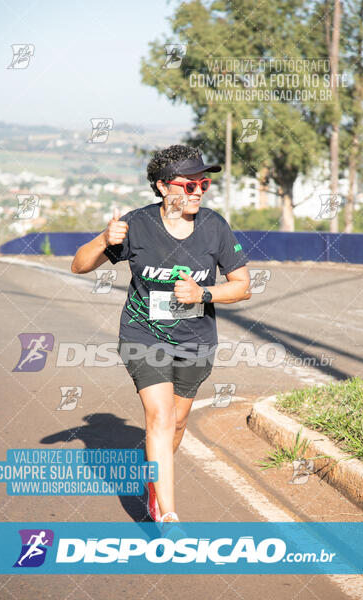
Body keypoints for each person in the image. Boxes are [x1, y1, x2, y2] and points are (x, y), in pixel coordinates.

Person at [71, 144, 252, 523]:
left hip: (196, 340)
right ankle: (168, 514)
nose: (199, 191)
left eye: (203, 184)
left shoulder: (214, 226)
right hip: (143, 334)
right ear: (162, 187)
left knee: (178, 422)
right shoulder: (136, 226)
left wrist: (203, 293)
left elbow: (242, 286)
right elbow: (79, 266)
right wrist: (105, 239)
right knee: (160, 416)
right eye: (189, 185)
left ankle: (153, 479)